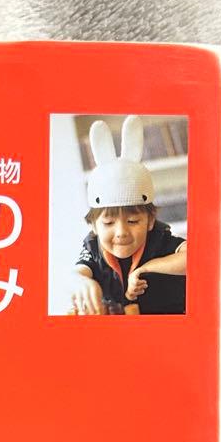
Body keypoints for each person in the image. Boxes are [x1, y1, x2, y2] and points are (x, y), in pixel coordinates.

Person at [69, 116, 187, 315]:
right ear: (94, 227)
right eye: (108, 222)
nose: (121, 232)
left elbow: (196, 258)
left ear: (150, 221)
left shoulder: (159, 240)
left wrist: (145, 269)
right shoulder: (93, 249)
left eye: (133, 221)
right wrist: (80, 282)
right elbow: (76, 274)